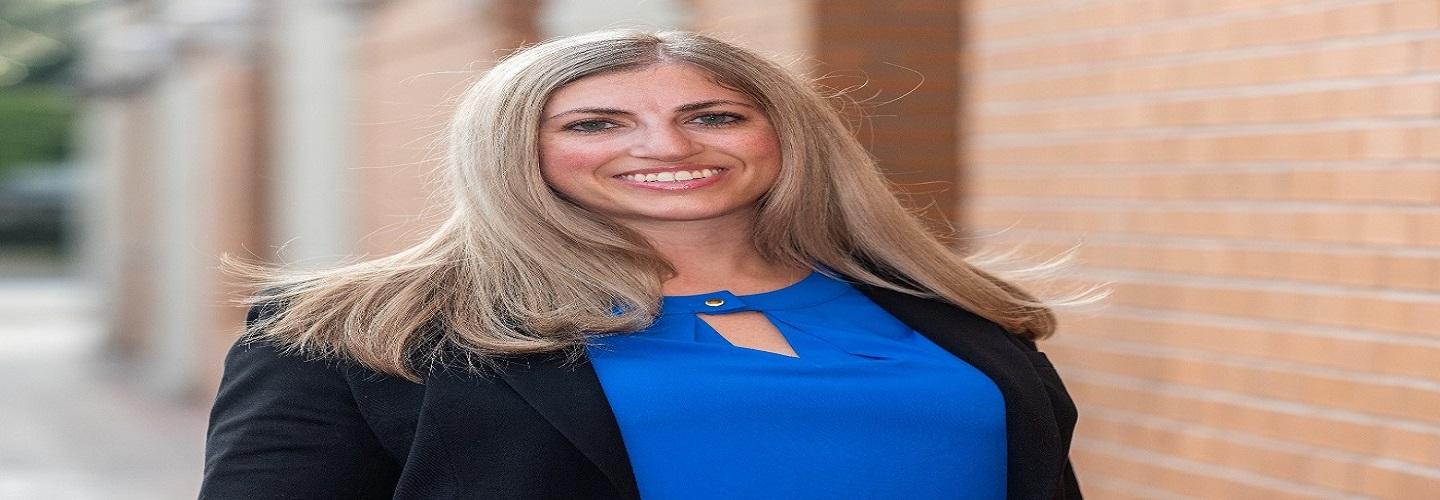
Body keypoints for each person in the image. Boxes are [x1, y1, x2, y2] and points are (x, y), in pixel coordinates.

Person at [200, 29, 1083, 500]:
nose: (667, 146)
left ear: (786, 136)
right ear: (516, 151)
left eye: (714, 116)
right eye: (596, 124)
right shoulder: (358, 330)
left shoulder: (956, 313)